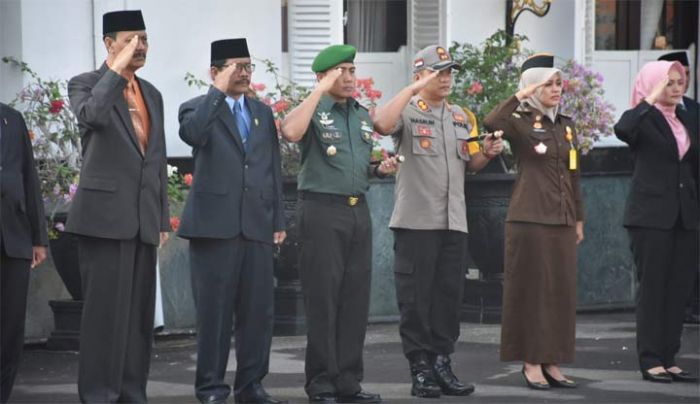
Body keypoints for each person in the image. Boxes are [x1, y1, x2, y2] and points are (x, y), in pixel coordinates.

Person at [372, 45, 503, 398]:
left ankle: (442, 363)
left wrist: (487, 156)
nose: (445, 79)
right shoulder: (409, 111)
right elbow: (382, 124)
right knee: (415, 300)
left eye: (449, 72)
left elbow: (470, 164)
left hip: (453, 222)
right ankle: (420, 369)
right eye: (437, 72)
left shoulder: (462, 116)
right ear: (420, 76)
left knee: (448, 297)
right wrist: (411, 90)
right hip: (417, 221)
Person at [280, 44, 398, 404]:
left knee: (354, 300)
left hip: (357, 211)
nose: (350, 78)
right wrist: (317, 90)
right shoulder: (314, 111)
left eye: (351, 70)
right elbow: (290, 132)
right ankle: (320, 382)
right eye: (341, 71)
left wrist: (380, 169)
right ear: (324, 76)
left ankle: (348, 380)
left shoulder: (360, 115)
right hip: (321, 211)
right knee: (323, 299)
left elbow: (359, 165)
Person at [67, 10, 170, 403]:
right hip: (103, 222)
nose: (140, 46)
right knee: (104, 320)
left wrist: (160, 217)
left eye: (143, 39)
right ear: (109, 44)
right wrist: (117, 70)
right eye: (130, 40)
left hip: (142, 221)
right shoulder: (87, 84)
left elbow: (156, 159)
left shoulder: (153, 94)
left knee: (138, 322)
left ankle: (131, 394)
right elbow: (91, 116)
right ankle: (98, 396)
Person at [177, 38, 286, 404]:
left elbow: (272, 168)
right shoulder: (194, 108)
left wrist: (278, 219)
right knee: (215, 314)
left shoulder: (262, 113)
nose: (244, 73)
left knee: (258, 313)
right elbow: (194, 136)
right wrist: (217, 92)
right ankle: (210, 388)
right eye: (236, 66)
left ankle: (251, 385)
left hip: (256, 223)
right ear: (215, 71)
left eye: (248, 66)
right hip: (213, 227)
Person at [484, 53, 584, 390]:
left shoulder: (565, 124)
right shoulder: (520, 121)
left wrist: (579, 218)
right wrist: (521, 96)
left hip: (562, 218)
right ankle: (530, 361)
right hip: (529, 218)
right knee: (532, 292)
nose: (556, 90)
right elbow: (490, 121)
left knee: (559, 292)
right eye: (548, 84)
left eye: (558, 83)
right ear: (532, 87)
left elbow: (574, 174)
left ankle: (552, 360)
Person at [614, 60, 699, 383]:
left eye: (680, 83)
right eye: (669, 83)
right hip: (650, 216)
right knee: (653, 289)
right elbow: (623, 130)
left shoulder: (690, 115)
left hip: (686, 215)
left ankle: (669, 355)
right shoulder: (642, 118)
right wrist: (651, 97)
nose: (678, 88)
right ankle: (650, 359)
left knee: (679, 289)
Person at [0, 103, 48, 403]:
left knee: (9, 329)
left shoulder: (12, 119)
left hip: (13, 238)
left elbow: (29, 177)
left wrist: (38, 238)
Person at [657, 51, 700, 324]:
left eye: (684, 74)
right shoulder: (651, 113)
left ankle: (693, 304)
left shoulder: (694, 109)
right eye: (673, 77)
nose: (679, 83)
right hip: (664, 196)